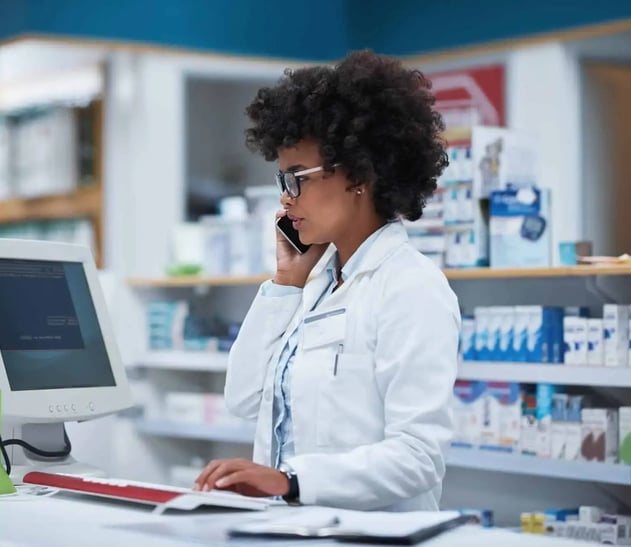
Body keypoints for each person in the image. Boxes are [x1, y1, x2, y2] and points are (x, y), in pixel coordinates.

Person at [193, 50, 461, 511]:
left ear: (358, 176)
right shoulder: (314, 284)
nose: (285, 195)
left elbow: (419, 457)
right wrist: (285, 284)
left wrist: (291, 481)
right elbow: (242, 399)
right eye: (283, 178)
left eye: (298, 177)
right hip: (293, 529)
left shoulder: (410, 287)